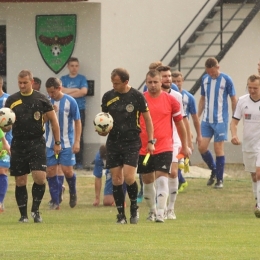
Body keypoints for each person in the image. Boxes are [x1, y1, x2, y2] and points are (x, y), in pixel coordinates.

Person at [4, 70, 61, 223]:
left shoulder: (42, 99)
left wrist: (57, 142)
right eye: (20, 83)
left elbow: (54, 122)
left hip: (36, 142)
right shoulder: (12, 100)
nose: (22, 85)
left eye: (25, 83)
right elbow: (6, 125)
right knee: (20, 180)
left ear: (32, 82)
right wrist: (4, 127)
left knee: (40, 178)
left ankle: (35, 210)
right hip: (19, 143)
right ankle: (23, 215)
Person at [99, 68, 154, 224]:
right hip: (114, 142)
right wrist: (102, 131)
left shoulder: (137, 96)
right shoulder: (108, 97)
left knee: (129, 177)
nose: (114, 86)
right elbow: (103, 119)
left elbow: (148, 119)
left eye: (117, 83)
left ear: (125, 82)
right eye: (112, 83)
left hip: (131, 141)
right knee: (116, 179)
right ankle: (121, 214)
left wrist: (151, 140)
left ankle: (134, 208)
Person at [137, 69, 190, 223]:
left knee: (162, 178)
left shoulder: (171, 100)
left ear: (161, 82)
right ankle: (152, 211)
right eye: (150, 82)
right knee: (147, 181)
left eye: (155, 82)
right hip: (144, 147)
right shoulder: (140, 100)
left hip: (165, 145)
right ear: (146, 83)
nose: (153, 85)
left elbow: (180, 124)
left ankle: (162, 212)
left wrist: (185, 145)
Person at [156, 66, 189, 219]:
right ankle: (158, 207)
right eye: (165, 76)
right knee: (157, 174)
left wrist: (186, 142)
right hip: (158, 138)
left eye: (169, 76)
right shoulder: (152, 96)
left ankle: (171, 208)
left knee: (173, 172)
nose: (168, 79)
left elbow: (182, 119)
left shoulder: (177, 96)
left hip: (174, 138)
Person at [198, 57, 237, 188]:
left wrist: (234, 117)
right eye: (208, 72)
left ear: (217, 67)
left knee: (218, 148)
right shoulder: (205, 79)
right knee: (202, 147)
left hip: (220, 120)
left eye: (213, 72)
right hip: (206, 120)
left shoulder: (226, 79)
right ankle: (214, 170)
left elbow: (233, 99)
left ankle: (220, 180)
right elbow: (202, 98)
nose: (211, 74)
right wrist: (197, 115)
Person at [45, 77, 81, 209]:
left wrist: (77, 141)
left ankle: (72, 191)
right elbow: (41, 121)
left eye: (52, 92)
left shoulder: (70, 101)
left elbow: (77, 121)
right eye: (48, 92)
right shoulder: (46, 102)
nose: (51, 95)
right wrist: (49, 113)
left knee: (67, 171)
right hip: (50, 142)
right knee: (50, 170)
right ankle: (55, 201)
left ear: (59, 88)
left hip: (67, 142)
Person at [230, 74, 260, 217]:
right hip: (249, 143)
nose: (252, 90)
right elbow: (234, 122)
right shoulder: (242, 101)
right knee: (254, 175)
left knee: (259, 173)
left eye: (255, 88)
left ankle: (259, 206)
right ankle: (257, 200)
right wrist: (234, 135)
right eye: (250, 87)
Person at [172, 70, 202, 192]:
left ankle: (180, 178)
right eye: (174, 81)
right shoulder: (167, 95)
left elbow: (194, 118)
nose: (176, 83)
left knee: (179, 155)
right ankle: (180, 179)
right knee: (175, 158)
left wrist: (197, 135)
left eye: (178, 81)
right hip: (171, 130)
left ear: (182, 81)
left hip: (182, 130)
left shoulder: (188, 97)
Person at [60, 57, 88, 170]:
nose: (74, 68)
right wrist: (76, 90)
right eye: (72, 65)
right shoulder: (63, 78)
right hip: (66, 110)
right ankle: (67, 160)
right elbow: (60, 91)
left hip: (80, 109)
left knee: (79, 135)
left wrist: (67, 92)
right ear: (68, 67)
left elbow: (84, 92)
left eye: (76, 65)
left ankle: (79, 161)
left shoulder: (82, 78)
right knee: (66, 134)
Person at [0, 76, 11, 212]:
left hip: (5, 141)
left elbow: (13, 119)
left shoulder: (8, 100)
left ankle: (0, 201)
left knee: (2, 170)